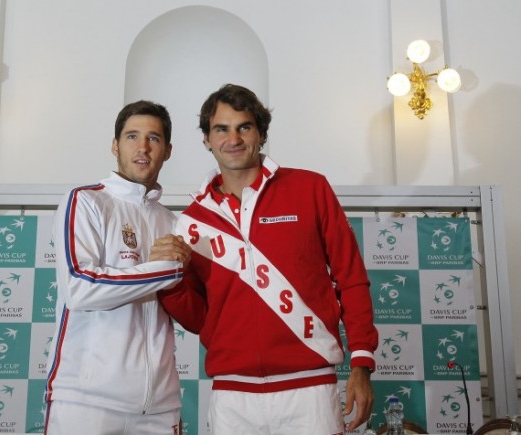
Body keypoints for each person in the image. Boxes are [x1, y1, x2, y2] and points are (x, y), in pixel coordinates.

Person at [157, 84, 378, 434]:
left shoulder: (310, 189)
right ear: (207, 139)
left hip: (310, 389)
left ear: (261, 133)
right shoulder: (193, 221)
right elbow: (198, 317)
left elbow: (351, 278)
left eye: (244, 127)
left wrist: (362, 362)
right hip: (233, 396)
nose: (233, 139)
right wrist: (169, 283)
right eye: (221, 129)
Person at [44, 100, 192, 435]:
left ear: (168, 151)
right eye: (132, 136)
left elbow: (187, 307)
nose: (143, 147)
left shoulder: (173, 222)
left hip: (160, 407)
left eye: (154, 138)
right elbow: (79, 288)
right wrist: (167, 269)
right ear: (115, 145)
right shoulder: (86, 201)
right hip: (87, 403)